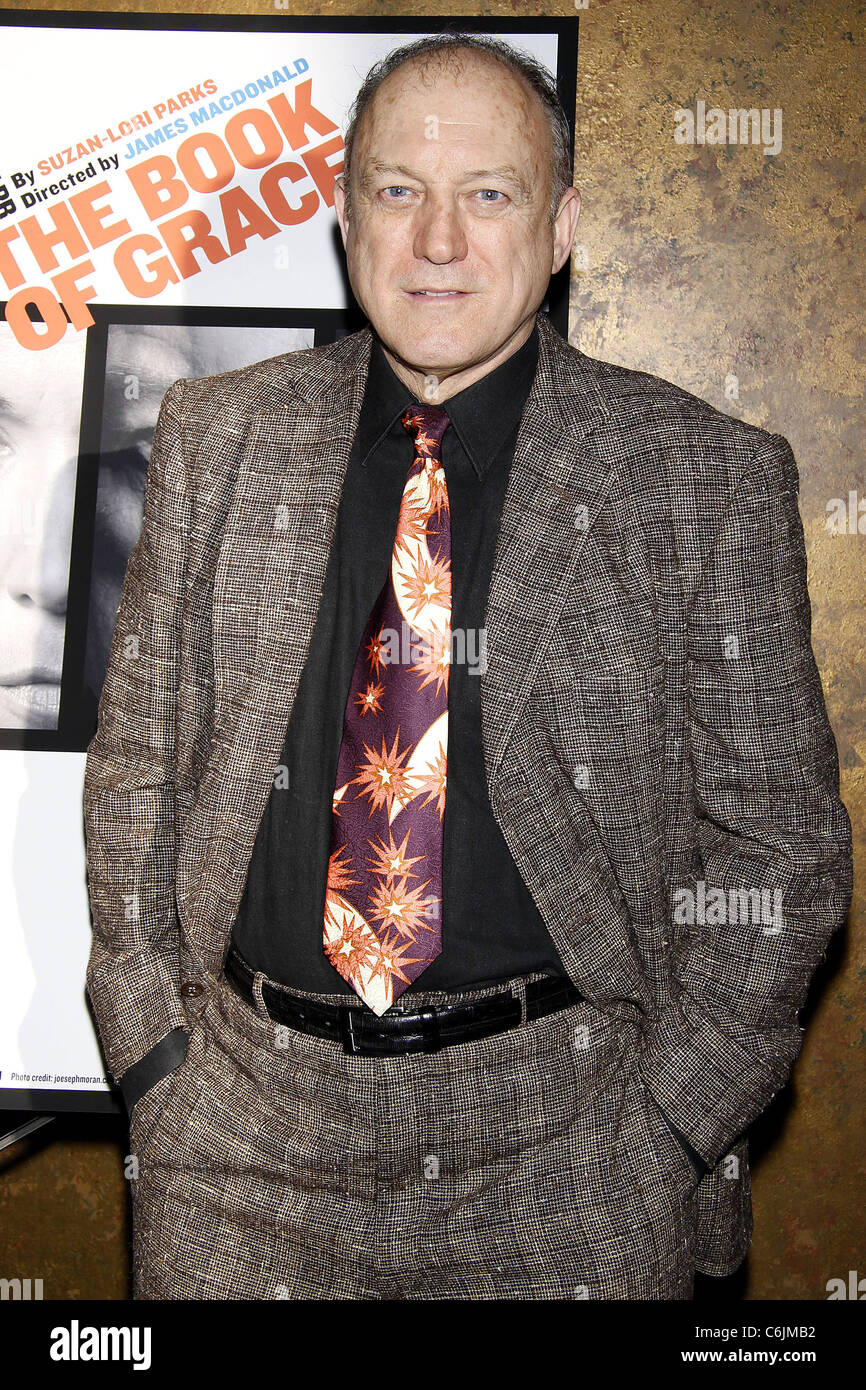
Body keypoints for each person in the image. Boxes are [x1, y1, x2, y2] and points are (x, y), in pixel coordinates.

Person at [82, 33, 853, 1300]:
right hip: (239, 1143)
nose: (436, 240)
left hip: (574, 1149)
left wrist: (670, 1123)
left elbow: (782, 846)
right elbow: (137, 770)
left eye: (487, 193)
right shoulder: (219, 435)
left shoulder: (701, 476)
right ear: (345, 221)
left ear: (560, 229)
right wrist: (154, 1059)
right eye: (398, 190)